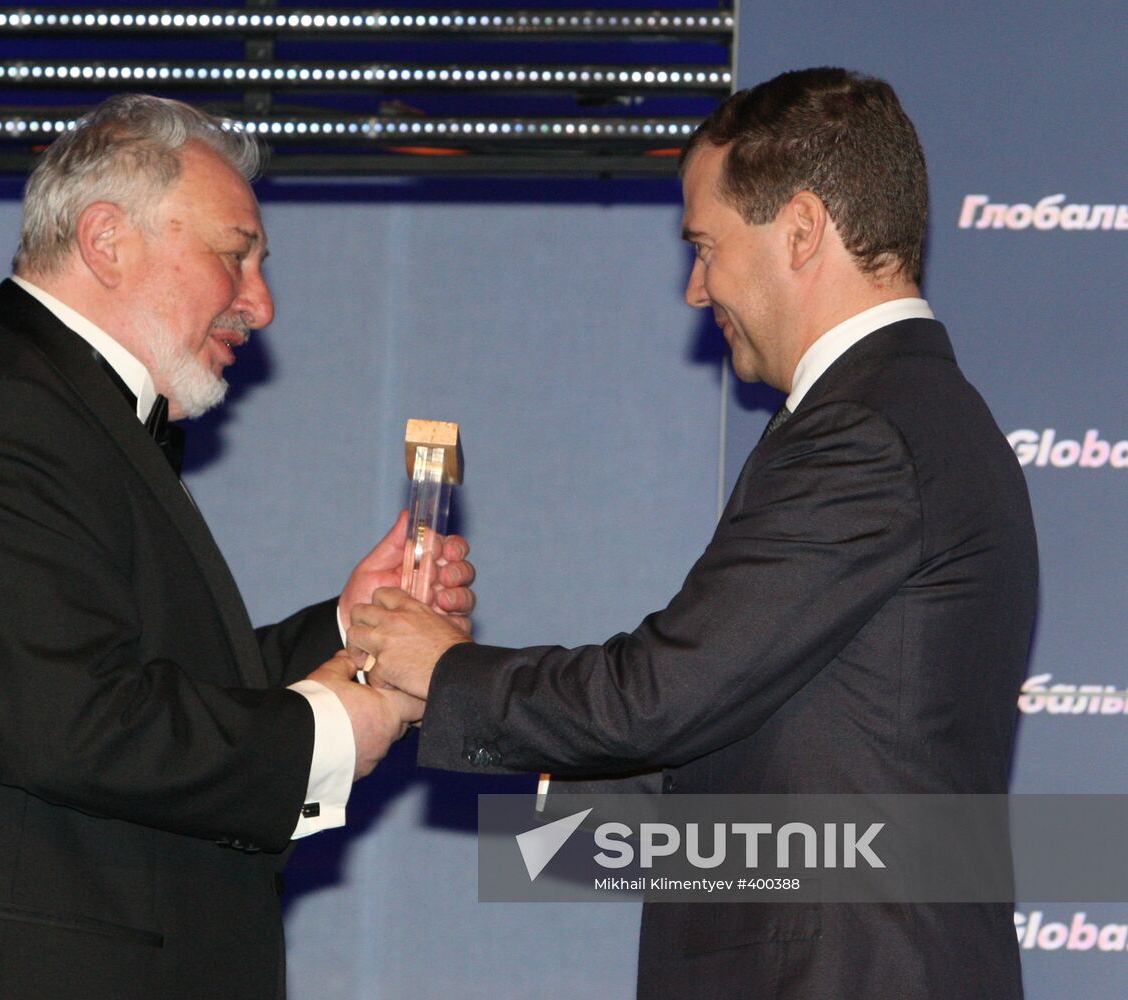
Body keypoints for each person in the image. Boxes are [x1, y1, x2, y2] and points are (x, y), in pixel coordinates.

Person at [0, 94, 472, 1000]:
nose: (261, 303)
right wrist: (333, 726)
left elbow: (131, 687)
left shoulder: (40, 410)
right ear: (106, 240)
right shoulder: (2, 421)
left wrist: (350, 631)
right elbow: (72, 726)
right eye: (234, 254)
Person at [351, 67, 1037, 999]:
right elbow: (752, 745)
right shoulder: (900, 414)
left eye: (705, 247)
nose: (693, 287)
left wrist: (448, 672)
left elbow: (667, 693)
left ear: (800, 231)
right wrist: (469, 717)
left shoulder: (865, 432)